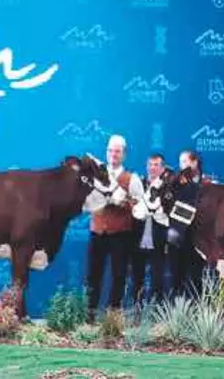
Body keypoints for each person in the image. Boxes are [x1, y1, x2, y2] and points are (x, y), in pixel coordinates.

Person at [85, 135, 144, 320]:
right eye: (110, 151)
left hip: (120, 234)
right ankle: (90, 314)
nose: (113, 154)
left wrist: (122, 202)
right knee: (93, 275)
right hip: (97, 232)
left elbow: (140, 207)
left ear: (124, 154)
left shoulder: (131, 178)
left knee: (119, 276)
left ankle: (113, 317)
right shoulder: (97, 176)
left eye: (117, 151)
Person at [167, 150, 211, 298]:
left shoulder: (207, 183)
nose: (183, 166)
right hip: (178, 238)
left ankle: (195, 315)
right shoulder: (175, 183)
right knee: (176, 278)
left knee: (195, 278)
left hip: (198, 240)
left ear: (195, 162)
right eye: (181, 163)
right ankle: (175, 313)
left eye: (185, 162)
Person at [130, 153, 169, 305]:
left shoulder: (167, 187)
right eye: (150, 165)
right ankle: (136, 309)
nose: (152, 168)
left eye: (156, 165)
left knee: (157, 277)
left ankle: (156, 312)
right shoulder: (138, 184)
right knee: (136, 276)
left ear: (162, 168)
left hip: (158, 238)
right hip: (137, 238)